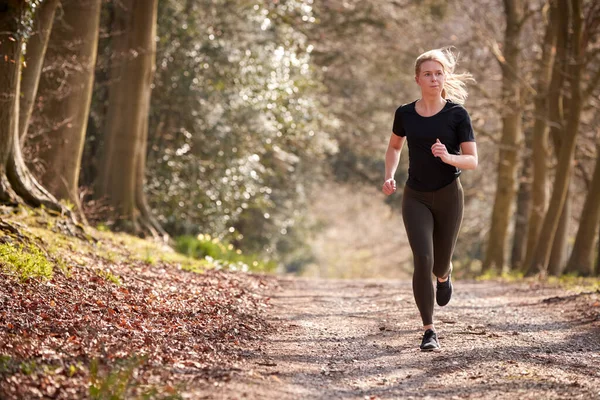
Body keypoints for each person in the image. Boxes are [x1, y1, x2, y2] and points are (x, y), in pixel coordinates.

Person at [382, 48, 478, 352]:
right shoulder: (405, 113)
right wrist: (389, 175)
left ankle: (445, 274)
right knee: (422, 259)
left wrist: (448, 156)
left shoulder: (457, 114)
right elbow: (395, 147)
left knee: (439, 262)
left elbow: (472, 160)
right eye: (428, 74)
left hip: (449, 194)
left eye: (438, 73)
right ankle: (428, 329)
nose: (434, 78)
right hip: (416, 196)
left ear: (445, 77)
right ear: (417, 79)